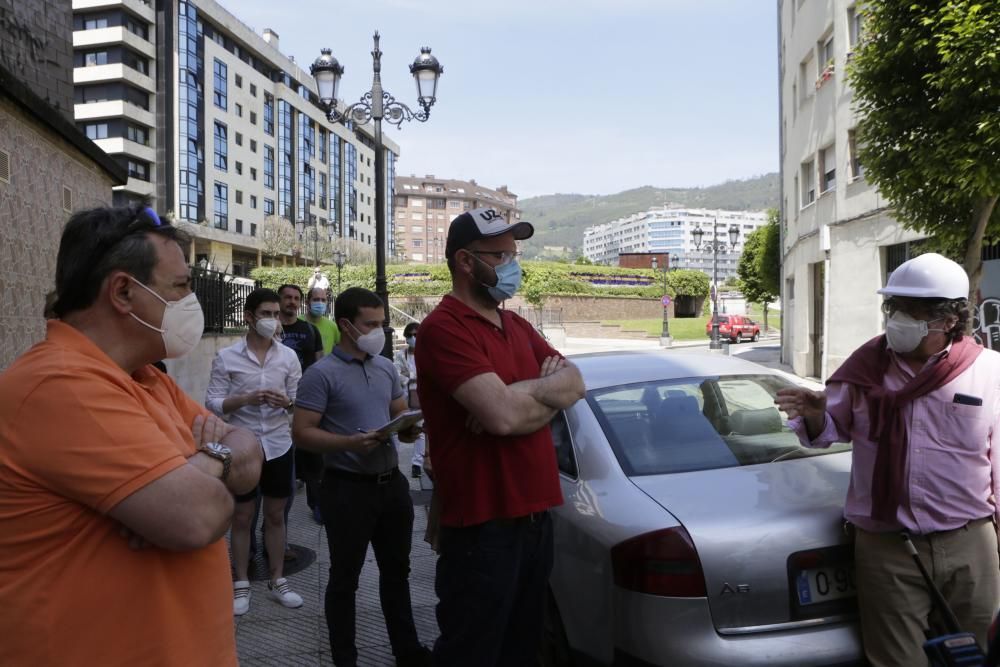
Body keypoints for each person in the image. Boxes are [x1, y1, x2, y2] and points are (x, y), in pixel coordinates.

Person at [0, 204, 263, 665]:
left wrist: (203, 464)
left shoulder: (146, 377)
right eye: (180, 286)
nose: (190, 301)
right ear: (123, 291)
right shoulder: (61, 386)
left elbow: (252, 451)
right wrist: (218, 468)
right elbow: (200, 516)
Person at [775, 253, 1000, 667]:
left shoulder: (988, 372)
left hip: (969, 541)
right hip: (886, 544)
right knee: (896, 660)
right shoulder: (864, 369)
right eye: (893, 307)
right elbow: (829, 432)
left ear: (949, 319)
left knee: (979, 655)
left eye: (911, 312)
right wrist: (814, 413)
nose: (897, 319)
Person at [415, 207, 586, 667]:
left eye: (515, 253)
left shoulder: (518, 326)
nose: (513, 265)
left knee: (522, 650)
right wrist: (533, 398)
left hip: (535, 521)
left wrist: (517, 393)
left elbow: (575, 384)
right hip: (481, 529)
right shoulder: (443, 329)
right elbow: (505, 420)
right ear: (466, 262)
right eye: (501, 255)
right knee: (473, 652)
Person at [293, 287, 431, 667]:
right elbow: (302, 432)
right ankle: (344, 657)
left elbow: (398, 412)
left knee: (396, 573)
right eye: (371, 324)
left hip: (392, 486)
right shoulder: (320, 375)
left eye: (383, 324)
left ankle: (408, 650)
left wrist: (407, 429)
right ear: (346, 326)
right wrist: (348, 442)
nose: (380, 332)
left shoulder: (386, 367)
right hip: (346, 490)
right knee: (344, 579)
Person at [206, 287, 304, 616]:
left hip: (278, 444)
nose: (273, 321)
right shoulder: (227, 357)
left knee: (276, 515)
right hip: (243, 446)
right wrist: (244, 399)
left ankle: (278, 580)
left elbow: (298, 401)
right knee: (242, 517)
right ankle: (242, 583)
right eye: (266, 314)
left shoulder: (288, 357)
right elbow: (213, 404)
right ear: (249, 317)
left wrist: (286, 402)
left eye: (276, 315)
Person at [394, 321, 425, 478]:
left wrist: (409, 375)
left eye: (416, 335)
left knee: (420, 431)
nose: (413, 338)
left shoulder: (427, 354)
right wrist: (410, 378)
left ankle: (417, 464)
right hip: (404, 397)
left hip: (421, 397)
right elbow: (396, 374)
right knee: (398, 428)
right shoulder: (401, 354)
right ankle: (394, 463)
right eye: (410, 335)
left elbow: (428, 375)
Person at [305, 286, 341, 355]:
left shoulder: (332, 326)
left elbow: (342, 347)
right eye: (316, 300)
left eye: (323, 300)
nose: (320, 303)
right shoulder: (298, 322)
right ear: (307, 302)